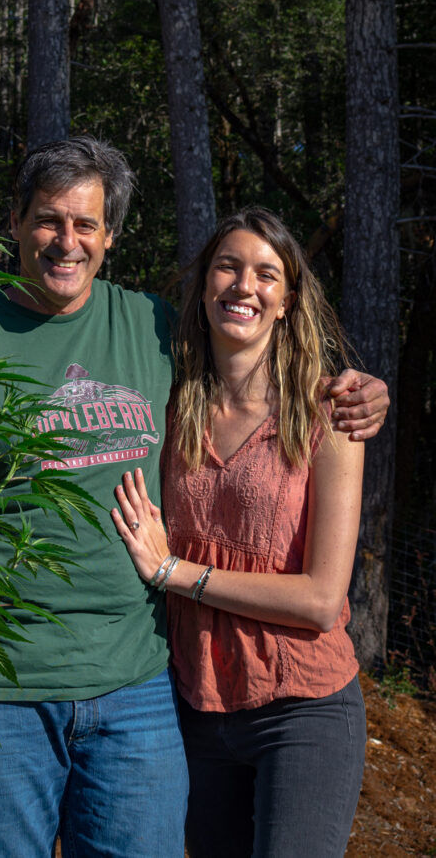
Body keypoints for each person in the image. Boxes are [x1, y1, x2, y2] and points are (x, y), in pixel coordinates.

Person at [0, 140, 388, 858]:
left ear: (110, 235)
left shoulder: (153, 329)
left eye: (85, 224)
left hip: (137, 689)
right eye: (48, 220)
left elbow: (252, 360)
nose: (65, 241)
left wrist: (359, 392)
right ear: (13, 221)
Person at [112, 206, 368, 858]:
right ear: (202, 286)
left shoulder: (328, 414)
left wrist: (175, 573)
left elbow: (318, 598)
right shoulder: (166, 405)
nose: (242, 284)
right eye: (227, 265)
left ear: (286, 300)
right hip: (194, 705)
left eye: (264, 272)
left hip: (302, 708)